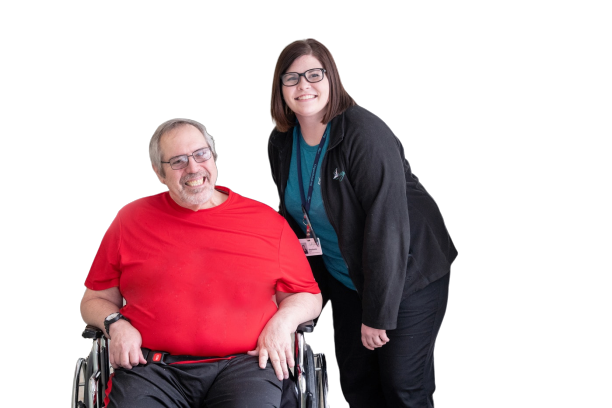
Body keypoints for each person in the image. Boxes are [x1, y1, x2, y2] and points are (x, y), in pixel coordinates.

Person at [267, 38, 458, 408]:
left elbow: (387, 229)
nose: (303, 85)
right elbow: (295, 219)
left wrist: (377, 315)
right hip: (346, 275)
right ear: (280, 89)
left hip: (405, 275)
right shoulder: (281, 141)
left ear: (332, 79)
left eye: (313, 74)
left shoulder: (364, 135)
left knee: (403, 386)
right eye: (291, 78)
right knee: (357, 383)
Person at [80, 118, 322, 408]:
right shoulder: (129, 221)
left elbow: (307, 295)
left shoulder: (266, 222)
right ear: (159, 172)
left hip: (245, 364)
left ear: (214, 156)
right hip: (152, 366)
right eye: (178, 161)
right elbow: (93, 300)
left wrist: (284, 322)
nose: (193, 168)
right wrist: (115, 324)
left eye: (200, 154)